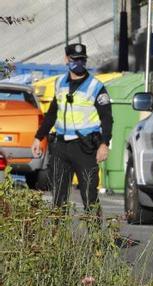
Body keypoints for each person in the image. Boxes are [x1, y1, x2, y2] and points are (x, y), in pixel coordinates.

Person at [32, 43, 112, 212]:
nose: (79, 63)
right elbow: (52, 114)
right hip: (61, 147)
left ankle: (95, 238)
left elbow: (107, 118)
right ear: (66, 59)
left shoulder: (96, 86)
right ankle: (58, 237)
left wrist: (104, 143)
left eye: (82, 60)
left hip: (85, 148)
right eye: (75, 60)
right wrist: (39, 137)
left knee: (90, 198)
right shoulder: (59, 83)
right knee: (58, 200)